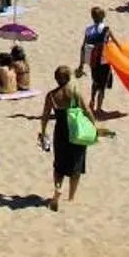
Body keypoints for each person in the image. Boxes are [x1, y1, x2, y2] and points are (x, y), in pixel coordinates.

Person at [38, 65, 91, 210]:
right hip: (76, 131)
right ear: (68, 78)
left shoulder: (51, 95)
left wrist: (43, 132)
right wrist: (94, 126)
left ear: (56, 79)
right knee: (76, 163)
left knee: (59, 164)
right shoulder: (74, 93)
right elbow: (87, 111)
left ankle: (57, 188)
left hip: (60, 131)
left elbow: (45, 117)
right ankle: (71, 197)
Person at [77, 6, 115, 114]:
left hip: (92, 60)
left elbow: (83, 46)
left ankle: (92, 101)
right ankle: (98, 108)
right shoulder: (106, 28)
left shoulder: (88, 30)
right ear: (103, 16)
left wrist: (81, 64)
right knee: (102, 85)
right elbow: (115, 42)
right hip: (103, 60)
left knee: (95, 81)